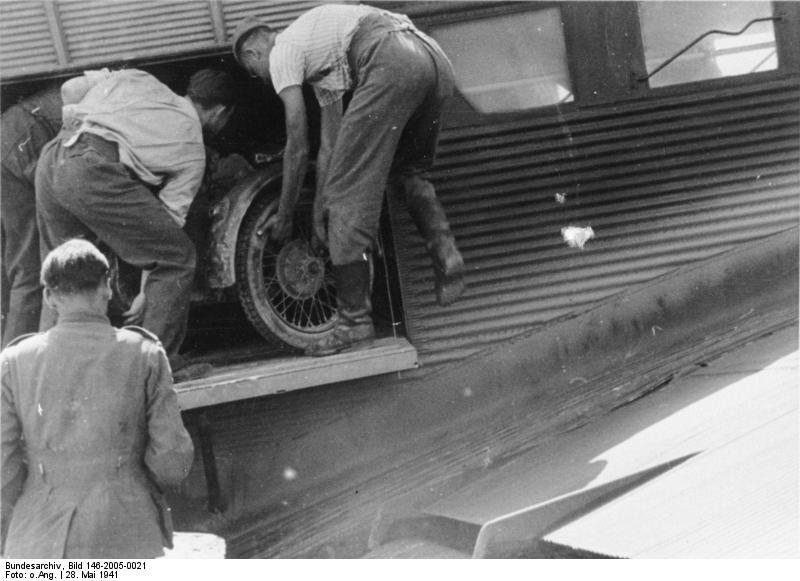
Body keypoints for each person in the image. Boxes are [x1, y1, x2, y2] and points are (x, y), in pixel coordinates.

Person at [231, 4, 466, 356]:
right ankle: (447, 255)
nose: (261, 79)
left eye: (253, 71)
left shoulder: (282, 52)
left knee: (346, 194)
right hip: (431, 59)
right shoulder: (321, 63)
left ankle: (354, 323)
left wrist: (284, 213)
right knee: (407, 171)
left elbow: (298, 143)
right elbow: (329, 148)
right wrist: (315, 213)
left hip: (390, 60)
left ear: (254, 51)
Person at [0, 239, 194, 558]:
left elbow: (2, 472)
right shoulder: (144, 354)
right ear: (107, 288)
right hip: (126, 532)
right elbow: (172, 463)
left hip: (37, 539)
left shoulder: (14, 361)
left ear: (49, 296)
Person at [35, 68, 236, 375]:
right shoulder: (194, 152)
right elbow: (166, 241)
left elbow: (70, 88)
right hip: (92, 170)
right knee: (179, 258)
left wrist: (77, 126)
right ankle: (155, 368)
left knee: (64, 268)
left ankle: (45, 373)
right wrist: (147, 291)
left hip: (52, 159)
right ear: (220, 112)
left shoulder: (140, 78)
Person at [1, 85, 63, 348]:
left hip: (10, 135)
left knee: (16, 262)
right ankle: (10, 370)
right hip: (19, 144)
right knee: (29, 267)